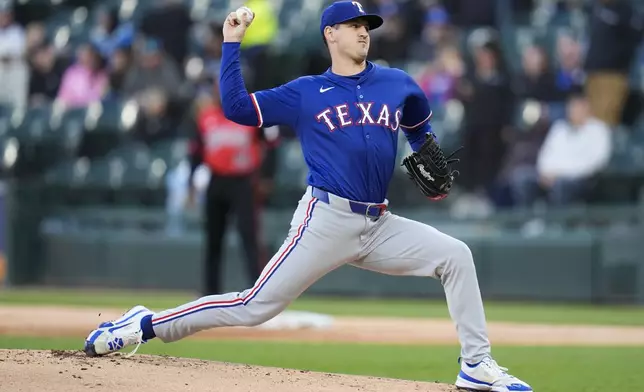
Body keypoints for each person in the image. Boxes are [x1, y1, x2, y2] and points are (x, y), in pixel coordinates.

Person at [82, 2, 532, 391]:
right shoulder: (305, 92)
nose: (363, 32)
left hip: (379, 224)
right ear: (330, 34)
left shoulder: (397, 83)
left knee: (456, 255)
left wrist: (424, 150)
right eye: (354, 25)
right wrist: (231, 44)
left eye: (368, 26)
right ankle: (144, 324)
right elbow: (238, 108)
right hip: (325, 220)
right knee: (253, 307)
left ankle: (475, 365)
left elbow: (419, 128)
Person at [187, 78, 277, 295]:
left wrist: (266, 176)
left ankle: (260, 292)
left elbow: (272, 146)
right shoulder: (206, 117)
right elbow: (195, 153)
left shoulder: (249, 115)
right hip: (216, 180)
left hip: (243, 182)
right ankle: (209, 294)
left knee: (249, 237)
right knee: (213, 239)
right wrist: (191, 183)